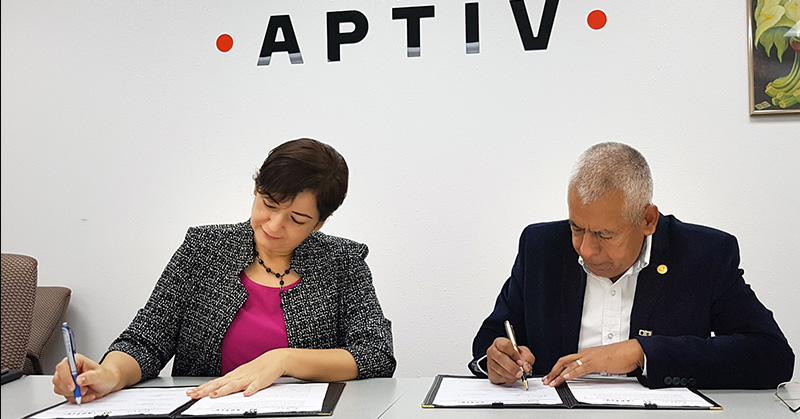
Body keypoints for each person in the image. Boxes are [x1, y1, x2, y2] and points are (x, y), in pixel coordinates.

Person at [53, 138, 396, 403]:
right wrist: (110, 374)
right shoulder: (204, 249)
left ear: (320, 222)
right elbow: (146, 340)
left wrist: (284, 360)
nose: (274, 225)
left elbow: (376, 354)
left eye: (297, 219)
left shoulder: (342, 262)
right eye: (268, 204)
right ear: (256, 190)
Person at [469, 142, 794, 389]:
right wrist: (496, 360)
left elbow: (772, 355)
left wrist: (642, 352)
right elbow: (494, 336)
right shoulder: (541, 248)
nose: (586, 249)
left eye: (604, 234)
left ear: (648, 220)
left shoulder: (704, 255)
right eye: (577, 228)